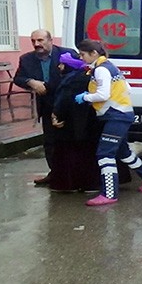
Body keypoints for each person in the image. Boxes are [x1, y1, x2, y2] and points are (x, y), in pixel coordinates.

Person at [75, 39, 142, 206]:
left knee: (104, 154)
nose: (81, 58)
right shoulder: (110, 67)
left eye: (82, 54)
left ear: (93, 53)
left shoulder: (101, 70)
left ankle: (109, 194)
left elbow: (103, 94)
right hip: (122, 114)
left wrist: (86, 97)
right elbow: (127, 88)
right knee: (123, 152)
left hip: (116, 116)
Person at [13, 29, 78, 186]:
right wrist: (31, 82)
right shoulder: (26, 59)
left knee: (72, 141)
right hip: (46, 105)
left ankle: (75, 175)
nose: (37, 44)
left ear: (50, 40)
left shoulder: (67, 54)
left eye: (40, 40)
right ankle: (55, 173)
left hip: (68, 106)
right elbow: (18, 78)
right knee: (50, 142)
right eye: (33, 41)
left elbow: (79, 74)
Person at [48, 53, 106, 192]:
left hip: (70, 124)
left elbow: (64, 100)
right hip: (90, 123)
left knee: (67, 155)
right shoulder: (88, 76)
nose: (59, 67)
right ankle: (90, 184)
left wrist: (56, 114)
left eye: (62, 64)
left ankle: (68, 185)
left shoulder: (70, 79)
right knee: (89, 154)